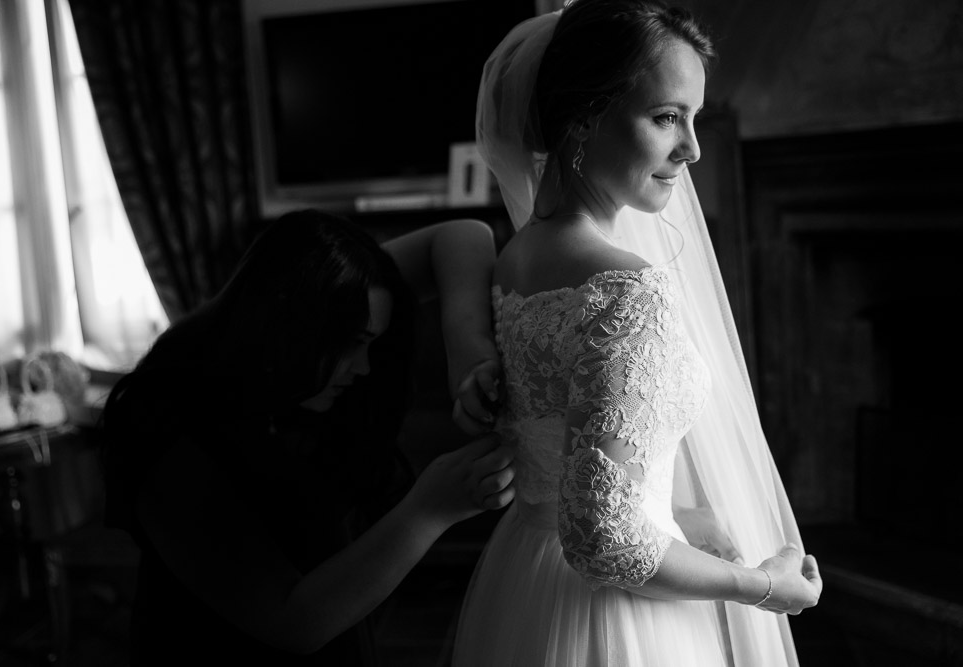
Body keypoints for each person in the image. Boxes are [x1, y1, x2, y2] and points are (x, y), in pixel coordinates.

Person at [451, 1, 822, 665]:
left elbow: (577, 458)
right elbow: (605, 540)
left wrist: (686, 521)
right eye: (665, 116)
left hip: (526, 577)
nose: (693, 147)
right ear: (585, 117)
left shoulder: (516, 256)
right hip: (617, 616)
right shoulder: (625, 290)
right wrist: (764, 587)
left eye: (693, 118)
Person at [100, 209, 514, 665]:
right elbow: (292, 622)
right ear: (289, 325)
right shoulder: (168, 423)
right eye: (351, 344)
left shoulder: (324, 307)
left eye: (371, 343)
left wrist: (470, 363)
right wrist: (429, 510)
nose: (363, 368)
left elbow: (463, 235)